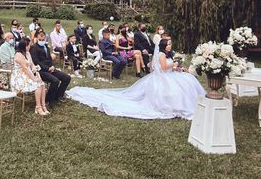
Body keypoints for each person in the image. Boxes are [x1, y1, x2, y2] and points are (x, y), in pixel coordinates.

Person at [68, 38, 205, 119]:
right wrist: (174, 64)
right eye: (168, 44)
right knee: (182, 84)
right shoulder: (162, 55)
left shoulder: (166, 53)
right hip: (164, 77)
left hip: (170, 74)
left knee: (188, 79)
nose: (170, 45)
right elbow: (163, 67)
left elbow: (161, 66)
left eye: (170, 43)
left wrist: (178, 68)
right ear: (164, 46)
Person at [30, 30, 71, 107]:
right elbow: (36, 61)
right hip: (41, 70)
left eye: (43, 39)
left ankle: (58, 95)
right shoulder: (34, 48)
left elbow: (49, 58)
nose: (42, 41)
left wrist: (52, 66)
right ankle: (48, 100)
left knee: (67, 78)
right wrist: (47, 68)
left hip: (50, 68)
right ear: (36, 38)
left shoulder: (46, 47)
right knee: (55, 81)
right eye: (40, 40)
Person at [12, 38, 48, 115]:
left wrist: (35, 68)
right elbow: (25, 68)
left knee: (42, 84)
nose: (30, 47)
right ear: (24, 46)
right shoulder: (19, 55)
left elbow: (31, 65)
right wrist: (33, 78)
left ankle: (43, 105)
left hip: (27, 74)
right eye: (28, 45)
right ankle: (38, 107)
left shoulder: (27, 53)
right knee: (38, 85)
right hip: (19, 78)